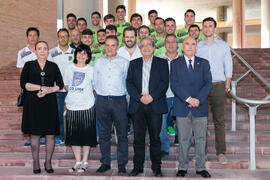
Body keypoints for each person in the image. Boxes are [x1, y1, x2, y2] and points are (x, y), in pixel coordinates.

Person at [126, 36, 169, 177]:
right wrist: (140, 97)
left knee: (155, 138)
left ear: (154, 47)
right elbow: (129, 83)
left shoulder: (162, 63)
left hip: (155, 104)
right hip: (138, 105)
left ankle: (156, 167)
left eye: (149, 45)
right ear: (140, 48)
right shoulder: (133, 63)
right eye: (143, 45)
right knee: (138, 138)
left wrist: (151, 96)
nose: (146, 47)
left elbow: (164, 83)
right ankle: (137, 167)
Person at [171, 36, 212, 178]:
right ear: (182, 47)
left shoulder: (204, 63)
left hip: (199, 107)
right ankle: (182, 167)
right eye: (187, 44)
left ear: (196, 47)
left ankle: (201, 168)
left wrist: (198, 100)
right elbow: (175, 84)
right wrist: (188, 99)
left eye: (193, 44)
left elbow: (208, 83)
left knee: (201, 139)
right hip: (182, 106)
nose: (190, 46)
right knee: (183, 139)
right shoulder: (175, 64)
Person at [20, 40, 64, 174]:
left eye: (45, 48)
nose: (42, 51)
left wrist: (48, 91)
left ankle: (48, 161)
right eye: (39, 48)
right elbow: (24, 84)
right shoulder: (28, 65)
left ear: (48, 51)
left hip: (49, 103)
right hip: (32, 103)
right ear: (35, 51)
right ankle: (35, 161)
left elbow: (60, 85)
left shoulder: (53, 66)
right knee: (35, 134)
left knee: (50, 135)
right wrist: (41, 88)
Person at [196, 17, 233, 165]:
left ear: (215, 29)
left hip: (218, 86)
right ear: (202, 29)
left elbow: (228, 65)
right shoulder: (198, 46)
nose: (207, 29)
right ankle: (201, 153)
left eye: (210, 26)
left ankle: (221, 152)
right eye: (205, 26)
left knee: (219, 121)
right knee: (201, 121)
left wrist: (228, 83)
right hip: (201, 87)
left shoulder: (223, 46)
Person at [94, 36, 129, 175]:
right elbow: (95, 82)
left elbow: (127, 81)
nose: (110, 48)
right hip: (102, 100)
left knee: (122, 134)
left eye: (113, 45)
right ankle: (105, 162)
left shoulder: (124, 62)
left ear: (117, 46)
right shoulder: (98, 62)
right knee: (103, 134)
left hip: (119, 101)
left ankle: (122, 164)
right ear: (104, 46)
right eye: (107, 45)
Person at [64, 44, 97, 173]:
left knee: (86, 136)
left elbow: (94, 87)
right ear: (75, 54)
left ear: (88, 56)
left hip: (87, 106)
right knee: (74, 136)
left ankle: (85, 161)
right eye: (79, 52)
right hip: (72, 106)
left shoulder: (91, 70)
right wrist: (74, 95)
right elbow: (66, 85)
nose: (81, 55)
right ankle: (77, 161)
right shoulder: (69, 68)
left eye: (84, 53)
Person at [48, 28, 75, 145]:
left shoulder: (75, 51)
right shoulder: (52, 52)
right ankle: (60, 136)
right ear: (58, 38)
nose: (63, 38)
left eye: (65, 36)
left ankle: (72, 137)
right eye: (61, 36)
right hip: (57, 88)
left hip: (72, 89)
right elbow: (49, 69)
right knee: (58, 113)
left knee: (73, 114)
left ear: (68, 38)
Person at [159, 34, 181, 158]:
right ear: (164, 44)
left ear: (177, 44)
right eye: (168, 42)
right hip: (163, 96)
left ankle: (183, 145)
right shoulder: (159, 59)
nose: (171, 44)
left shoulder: (183, 59)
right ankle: (164, 147)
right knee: (162, 124)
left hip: (181, 97)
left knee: (182, 122)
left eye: (173, 42)